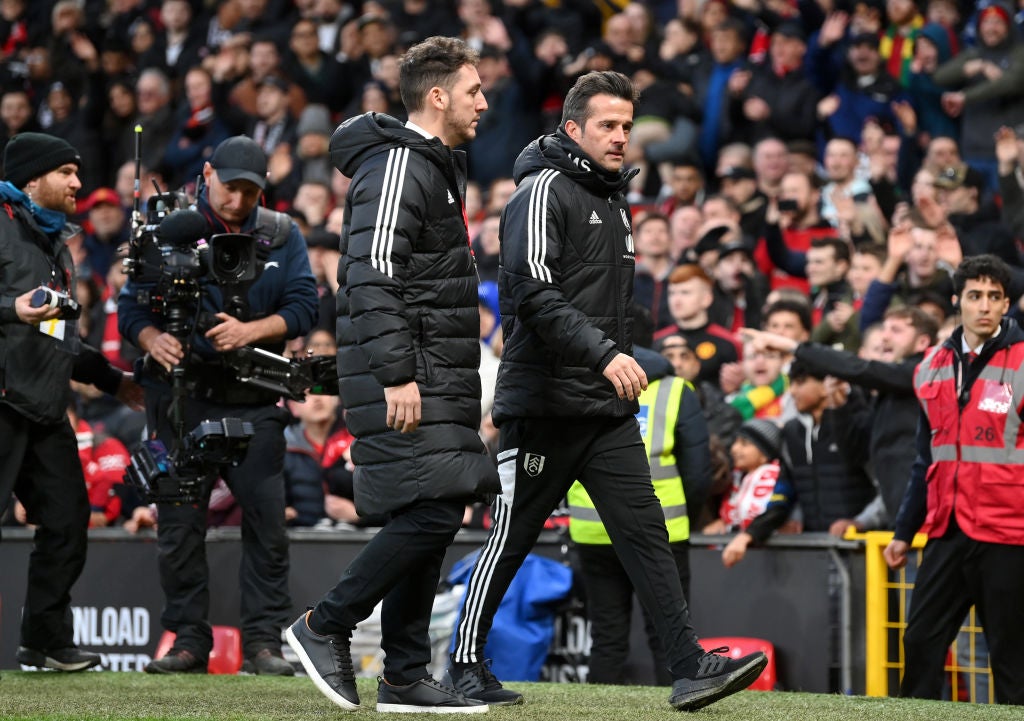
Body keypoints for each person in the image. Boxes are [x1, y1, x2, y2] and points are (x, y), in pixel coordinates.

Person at [446, 70, 767, 711]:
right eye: (608, 126)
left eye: (626, 125)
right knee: (511, 537)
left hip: (602, 405)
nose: (622, 137)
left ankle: (687, 665)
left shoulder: (613, 198)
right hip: (543, 406)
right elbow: (534, 293)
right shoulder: (541, 192)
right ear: (573, 129)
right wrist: (609, 355)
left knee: (646, 533)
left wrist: (615, 363)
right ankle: (461, 665)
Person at [284, 36, 498, 714]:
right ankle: (324, 623)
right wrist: (397, 372)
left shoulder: (427, 165)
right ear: (437, 96)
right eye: (473, 90)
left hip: (431, 368)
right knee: (436, 506)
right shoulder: (403, 162)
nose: (485, 102)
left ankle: (404, 674)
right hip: (410, 374)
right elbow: (370, 276)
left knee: (430, 506)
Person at [118, 134, 318, 676]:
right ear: (206, 175)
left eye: (250, 192)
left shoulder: (280, 233)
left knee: (268, 526)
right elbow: (130, 309)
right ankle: (187, 640)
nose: (237, 201)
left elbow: (305, 305)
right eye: (230, 188)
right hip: (182, 398)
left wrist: (252, 330)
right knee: (179, 523)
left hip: (254, 396)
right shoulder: (169, 229)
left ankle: (263, 644)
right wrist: (151, 341)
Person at [0, 132, 142, 671]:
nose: (78, 183)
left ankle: (44, 638)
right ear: (33, 179)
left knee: (66, 520)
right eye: (66, 173)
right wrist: (12, 309)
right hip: (2, 397)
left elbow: (62, 334)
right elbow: (19, 311)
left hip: (43, 404)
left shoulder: (57, 244)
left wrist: (113, 381)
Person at [884, 254, 1024, 705]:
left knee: (1011, 658)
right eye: (975, 296)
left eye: (994, 297)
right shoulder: (931, 366)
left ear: (1007, 305)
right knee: (921, 641)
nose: (985, 305)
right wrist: (905, 531)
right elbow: (925, 459)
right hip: (947, 529)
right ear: (956, 301)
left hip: (1009, 534)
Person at [567, 338, 712, 686]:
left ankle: (598, 712)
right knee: (670, 635)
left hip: (592, 529)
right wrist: (685, 514)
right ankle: (680, 697)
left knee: (606, 637)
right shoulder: (676, 389)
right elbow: (698, 471)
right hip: (662, 529)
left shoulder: (577, 381)